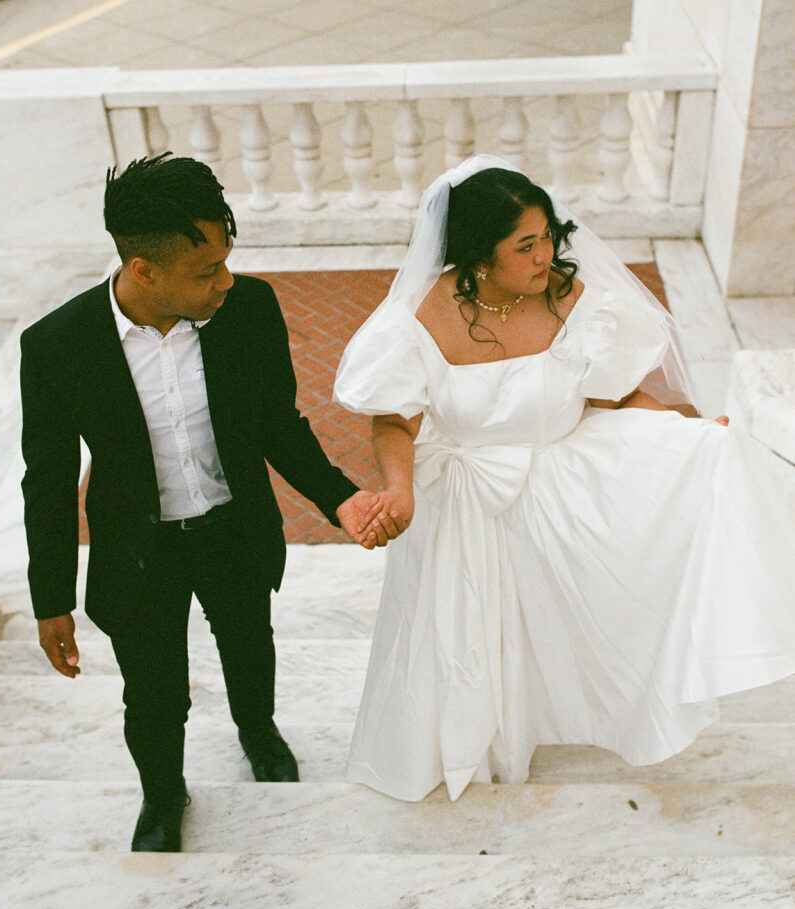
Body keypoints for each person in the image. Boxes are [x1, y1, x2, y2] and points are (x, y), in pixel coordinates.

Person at [334, 154, 795, 803]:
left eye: (548, 235)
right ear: (478, 255)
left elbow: (613, 395)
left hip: (563, 479)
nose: (546, 254)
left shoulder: (566, 297)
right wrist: (400, 487)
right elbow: (393, 420)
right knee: (468, 641)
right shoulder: (416, 315)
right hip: (464, 500)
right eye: (525, 245)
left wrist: (690, 432)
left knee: (567, 623)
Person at [20, 153, 388, 852]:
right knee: (154, 695)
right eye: (204, 271)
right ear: (143, 271)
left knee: (250, 645)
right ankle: (163, 797)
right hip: (138, 550)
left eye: (225, 261)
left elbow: (280, 423)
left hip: (231, 528)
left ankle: (259, 732)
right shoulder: (56, 347)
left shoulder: (248, 310)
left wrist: (338, 500)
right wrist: (50, 600)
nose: (224, 281)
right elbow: (47, 479)